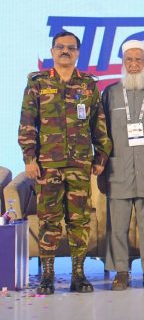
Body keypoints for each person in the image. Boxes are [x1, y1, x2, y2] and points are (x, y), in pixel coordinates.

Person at [18, 31, 112, 295]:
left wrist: (101, 157)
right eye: (60, 47)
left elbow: (99, 124)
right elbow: (27, 124)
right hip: (47, 164)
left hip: (80, 164)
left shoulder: (88, 85)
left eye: (71, 47)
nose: (65, 51)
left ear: (78, 53)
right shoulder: (38, 83)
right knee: (49, 221)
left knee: (79, 221)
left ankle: (78, 274)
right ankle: (47, 275)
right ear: (52, 51)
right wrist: (29, 158)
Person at [101, 40, 144, 291]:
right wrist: (101, 166)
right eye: (129, 59)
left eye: (139, 60)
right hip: (118, 168)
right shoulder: (110, 93)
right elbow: (102, 133)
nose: (134, 64)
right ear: (123, 62)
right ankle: (120, 270)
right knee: (117, 224)